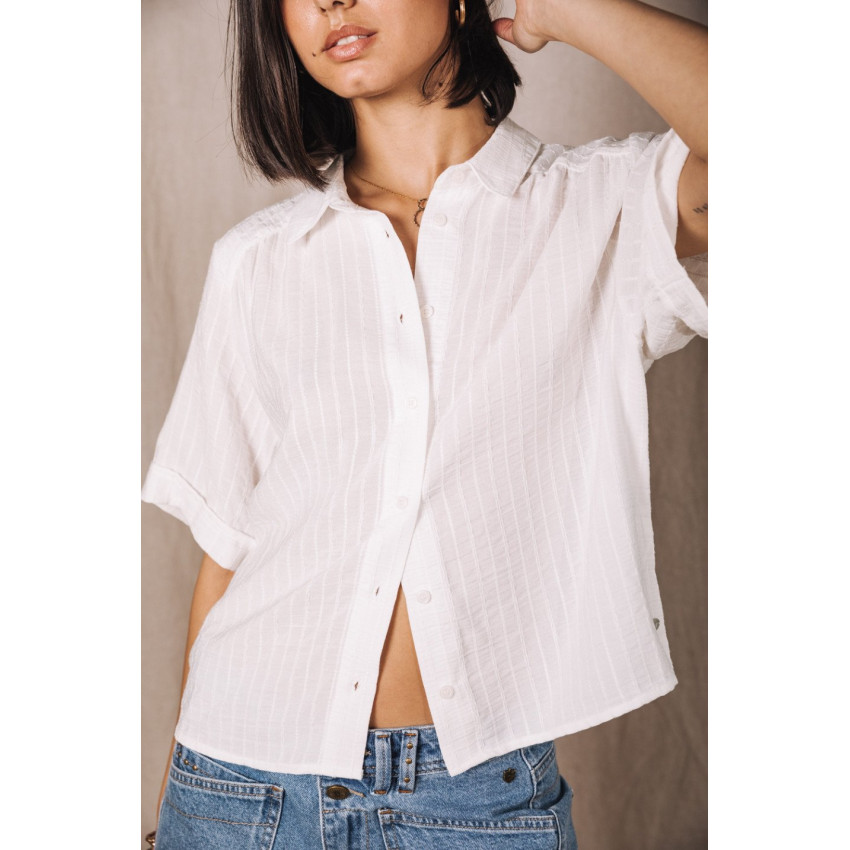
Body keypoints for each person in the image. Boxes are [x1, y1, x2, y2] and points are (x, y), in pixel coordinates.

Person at [142, 0, 707, 846]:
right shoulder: (259, 261)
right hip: (234, 786)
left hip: (473, 805)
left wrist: (566, 8)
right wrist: (172, 809)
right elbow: (227, 551)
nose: (331, 1)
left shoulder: (600, 208)